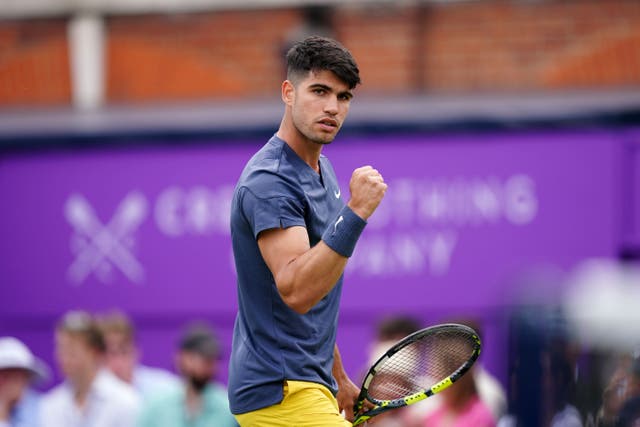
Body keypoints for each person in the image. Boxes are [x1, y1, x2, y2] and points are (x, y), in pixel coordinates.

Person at [227, 35, 387, 426]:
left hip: (306, 385)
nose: (332, 107)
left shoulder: (323, 170)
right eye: (319, 91)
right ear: (288, 92)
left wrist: (340, 378)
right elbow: (296, 289)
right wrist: (356, 212)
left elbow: (315, 297)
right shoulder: (271, 181)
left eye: (344, 97)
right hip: (281, 391)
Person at [40, 310, 140, 427]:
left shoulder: (126, 401)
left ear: (95, 352)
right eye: (61, 348)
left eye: (72, 350)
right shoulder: (50, 404)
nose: (63, 357)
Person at [137, 322, 237, 427]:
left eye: (212, 358)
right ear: (181, 357)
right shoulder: (156, 407)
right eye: (202, 357)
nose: (208, 364)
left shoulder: (229, 409)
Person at [96, 310, 179, 399]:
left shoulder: (165, 387)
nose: (118, 362)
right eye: (110, 354)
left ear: (136, 352)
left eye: (124, 352)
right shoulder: (87, 393)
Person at [0, 336, 49, 427]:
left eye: (25, 379)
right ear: (2, 379)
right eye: (19, 379)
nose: (24, 386)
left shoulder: (38, 412)